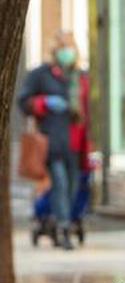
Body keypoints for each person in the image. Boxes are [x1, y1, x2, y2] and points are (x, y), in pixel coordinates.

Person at [18, 31, 91, 249]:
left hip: (76, 143)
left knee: (73, 186)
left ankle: (62, 222)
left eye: (70, 47)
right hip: (51, 141)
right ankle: (63, 229)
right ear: (55, 51)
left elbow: (87, 111)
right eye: (62, 48)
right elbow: (23, 102)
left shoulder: (80, 76)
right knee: (59, 184)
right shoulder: (41, 74)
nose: (67, 53)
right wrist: (44, 103)